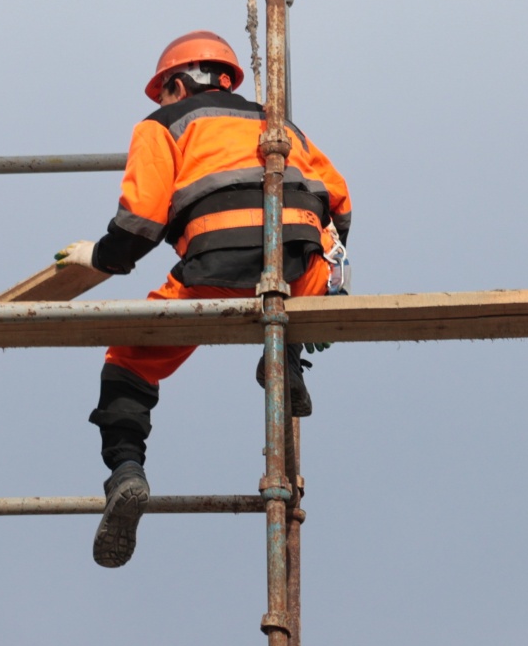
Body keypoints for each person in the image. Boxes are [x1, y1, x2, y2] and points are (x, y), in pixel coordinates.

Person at [54, 29, 353, 568]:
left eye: (162, 90)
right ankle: (285, 356)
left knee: (128, 359)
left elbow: (141, 220)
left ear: (176, 82)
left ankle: (126, 472)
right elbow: (343, 205)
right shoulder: (281, 125)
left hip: (213, 268)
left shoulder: (162, 125)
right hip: (299, 273)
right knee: (310, 286)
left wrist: (96, 257)